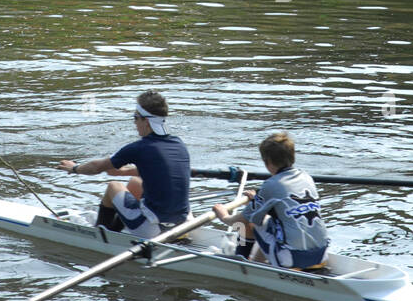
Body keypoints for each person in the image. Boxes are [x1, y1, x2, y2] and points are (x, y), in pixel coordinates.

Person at [60, 90, 190, 239]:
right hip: (181, 224)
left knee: (113, 186)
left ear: (146, 121)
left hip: (151, 229)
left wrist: (74, 168)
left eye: (135, 117)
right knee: (135, 183)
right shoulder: (178, 144)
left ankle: (101, 234)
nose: (134, 123)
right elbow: (158, 171)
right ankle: (119, 226)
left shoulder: (139, 148)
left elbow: (97, 167)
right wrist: (123, 172)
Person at [213, 131, 330, 271]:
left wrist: (224, 216)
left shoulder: (271, 184)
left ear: (268, 162)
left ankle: (243, 265)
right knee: (269, 223)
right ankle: (257, 264)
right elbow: (284, 205)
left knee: (248, 224)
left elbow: (244, 219)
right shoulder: (306, 177)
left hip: (292, 260)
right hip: (322, 255)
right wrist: (257, 201)